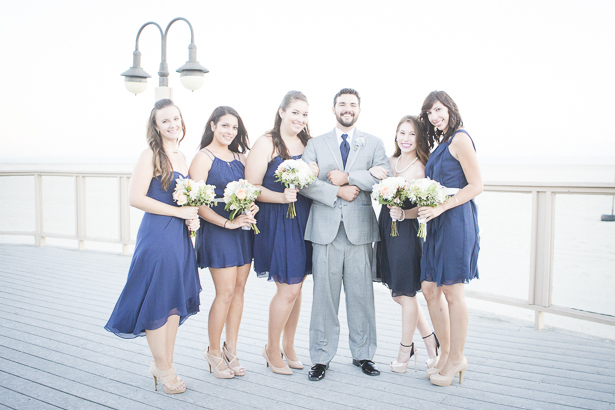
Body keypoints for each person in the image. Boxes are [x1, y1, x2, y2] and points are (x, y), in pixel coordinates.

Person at [105, 99, 201, 394]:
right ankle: (163, 366)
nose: (173, 125)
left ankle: (165, 364)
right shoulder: (150, 155)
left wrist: (192, 219)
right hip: (158, 237)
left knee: (172, 302)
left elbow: (185, 200)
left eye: (176, 119)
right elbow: (136, 198)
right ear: (156, 127)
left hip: (180, 238)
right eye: (165, 121)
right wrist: (178, 213)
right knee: (159, 300)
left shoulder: (183, 157)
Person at [299, 88, 391, 381]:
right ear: (334, 108)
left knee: (362, 296)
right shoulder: (315, 144)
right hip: (325, 229)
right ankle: (321, 357)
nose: (347, 108)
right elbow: (304, 183)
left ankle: (363, 354)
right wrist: (336, 190)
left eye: (352, 104)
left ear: (359, 109)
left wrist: (349, 177)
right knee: (324, 297)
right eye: (342, 104)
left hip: (360, 231)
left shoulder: (374, 143)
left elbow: (383, 175)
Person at [245, 91, 318, 375]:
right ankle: (271, 348)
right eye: (295, 112)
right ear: (281, 112)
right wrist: (281, 198)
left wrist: (313, 172)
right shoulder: (266, 143)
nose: (300, 119)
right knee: (287, 289)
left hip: (303, 218)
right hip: (277, 220)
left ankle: (289, 346)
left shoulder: (308, 143)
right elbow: (251, 187)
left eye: (304, 114)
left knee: (297, 287)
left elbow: (315, 183)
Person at [418, 91, 482, 387]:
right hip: (437, 223)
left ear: (450, 109)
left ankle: (457, 357)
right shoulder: (440, 143)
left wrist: (442, 205)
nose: (435, 116)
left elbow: (476, 185)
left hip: (456, 220)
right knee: (430, 288)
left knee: (452, 292)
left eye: (439, 109)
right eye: (430, 112)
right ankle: (445, 354)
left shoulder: (460, 139)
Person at [189, 106, 257, 379]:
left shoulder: (242, 157)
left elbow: (252, 192)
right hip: (219, 231)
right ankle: (214, 352)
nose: (230, 132)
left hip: (242, 230)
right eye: (225, 126)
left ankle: (232, 349)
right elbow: (198, 202)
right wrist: (226, 223)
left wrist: (252, 208)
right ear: (213, 125)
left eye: (235, 128)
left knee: (240, 290)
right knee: (225, 293)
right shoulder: (202, 158)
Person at [370, 115, 440, 373]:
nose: (406, 138)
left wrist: (404, 214)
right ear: (396, 135)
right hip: (388, 228)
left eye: (411, 134)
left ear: (418, 137)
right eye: (402, 133)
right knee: (400, 294)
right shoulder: (390, 161)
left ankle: (404, 351)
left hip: (407, 232)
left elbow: (425, 206)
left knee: (404, 293)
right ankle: (432, 345)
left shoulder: (421, 167)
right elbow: (376, 181)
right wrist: (372, 172)